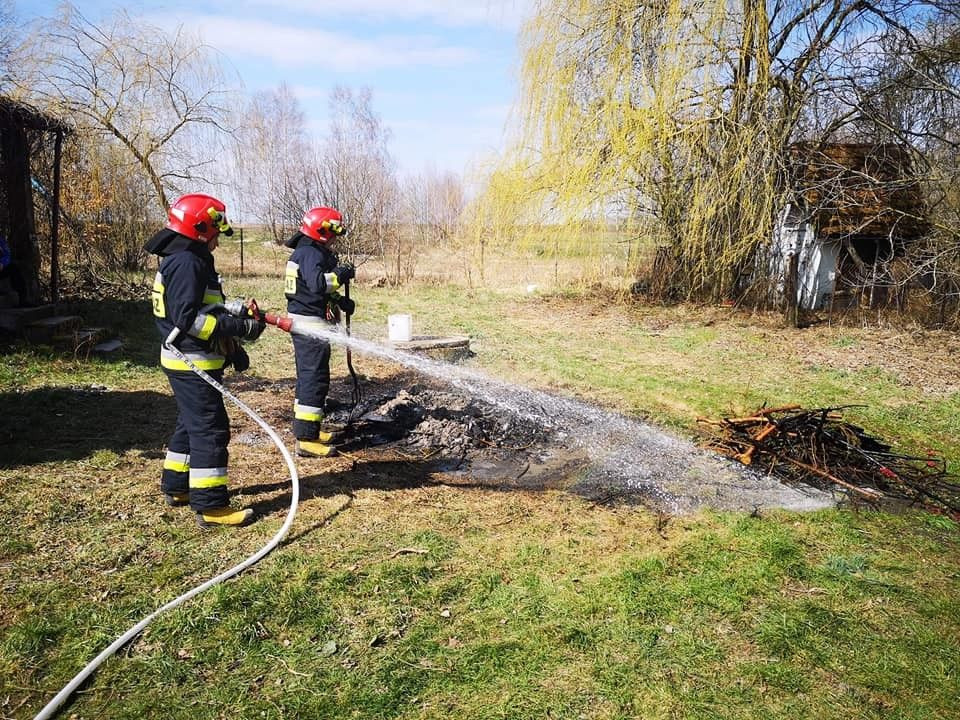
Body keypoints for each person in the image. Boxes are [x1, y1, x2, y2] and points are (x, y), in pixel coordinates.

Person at [145, 193, 265, 528]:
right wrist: (237, 327)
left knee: (190, 423)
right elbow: (189, 319)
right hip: (190, 360)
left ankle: (177, 485)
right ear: (201, 228)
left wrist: (235, 318)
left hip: (187, 359)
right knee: (211, 430)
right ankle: (212, 505)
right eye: (215, 231)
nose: (217, 240)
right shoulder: (188, 262)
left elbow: (204, 303)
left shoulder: (183, 255)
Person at [283, 206, 355, 457]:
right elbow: (317, 284)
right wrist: (339, 275)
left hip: (308, 322)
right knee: (314, 380)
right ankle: (306, 440)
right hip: (309, 326)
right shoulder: (310, 253)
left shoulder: (305, 252)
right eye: (332, 233)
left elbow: (311, 286)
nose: (335, 239)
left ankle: (309, 428)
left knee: (311, 378)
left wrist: (339, 300)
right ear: (322, 231)